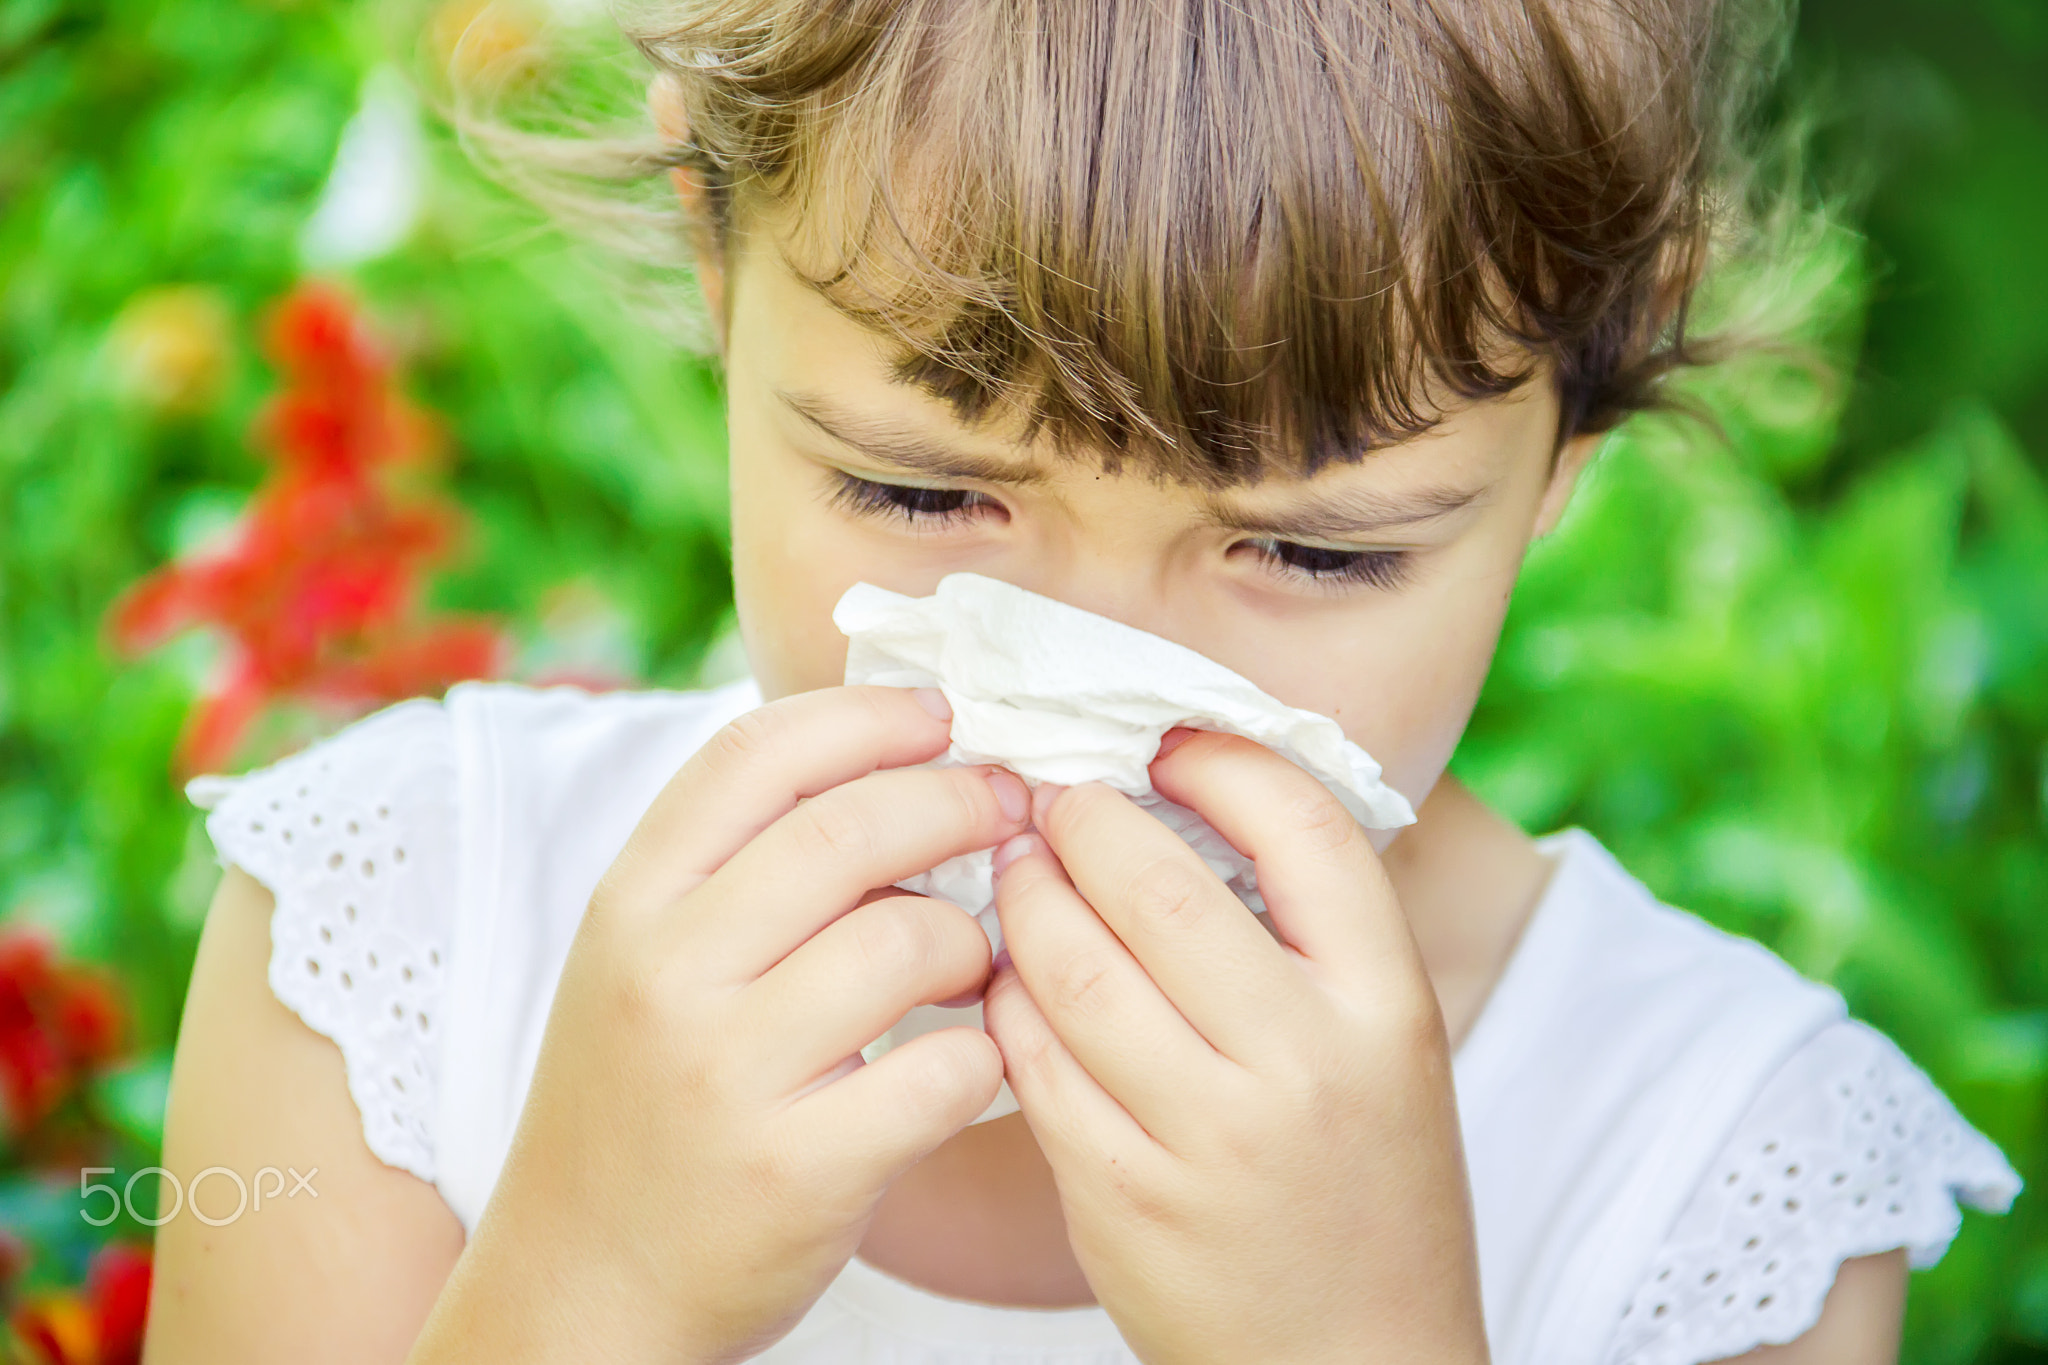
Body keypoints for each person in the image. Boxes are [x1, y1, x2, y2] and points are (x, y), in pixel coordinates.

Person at [142, 2, 2020, 1362]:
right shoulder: (396, 946)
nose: (1089, 689)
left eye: (1315, 549)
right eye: (919, 489)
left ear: (1568, 450)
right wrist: (591, 1294)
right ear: (726, 268)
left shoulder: (1709, 1166)